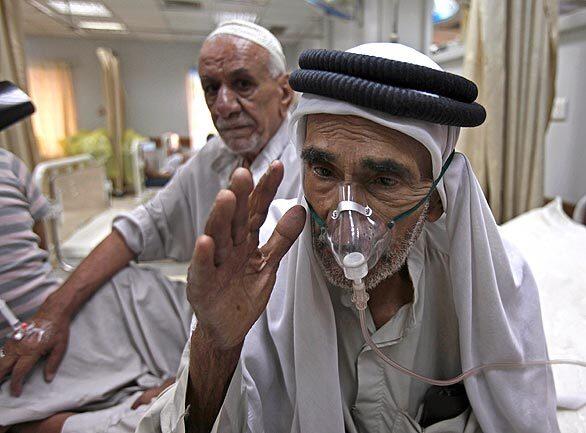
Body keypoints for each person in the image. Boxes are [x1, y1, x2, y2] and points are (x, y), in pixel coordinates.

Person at [137, 44, 559, 433]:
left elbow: (521, 416)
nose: (346, 217)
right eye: (323, 171)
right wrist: (216, 344)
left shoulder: (496, 287)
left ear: (434, 201)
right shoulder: (257, 268)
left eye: (384, 180)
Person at [0, 20, 298, 433]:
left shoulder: (309, 164)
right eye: (211, 88)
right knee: (113, 290)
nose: (224, 105)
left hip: (267, 341)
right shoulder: (213, 159)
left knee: (168, 414)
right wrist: (53, 312)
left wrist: (195, 375)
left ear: (284, 92)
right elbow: (137, 229)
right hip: (197, 320)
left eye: (242, 84)